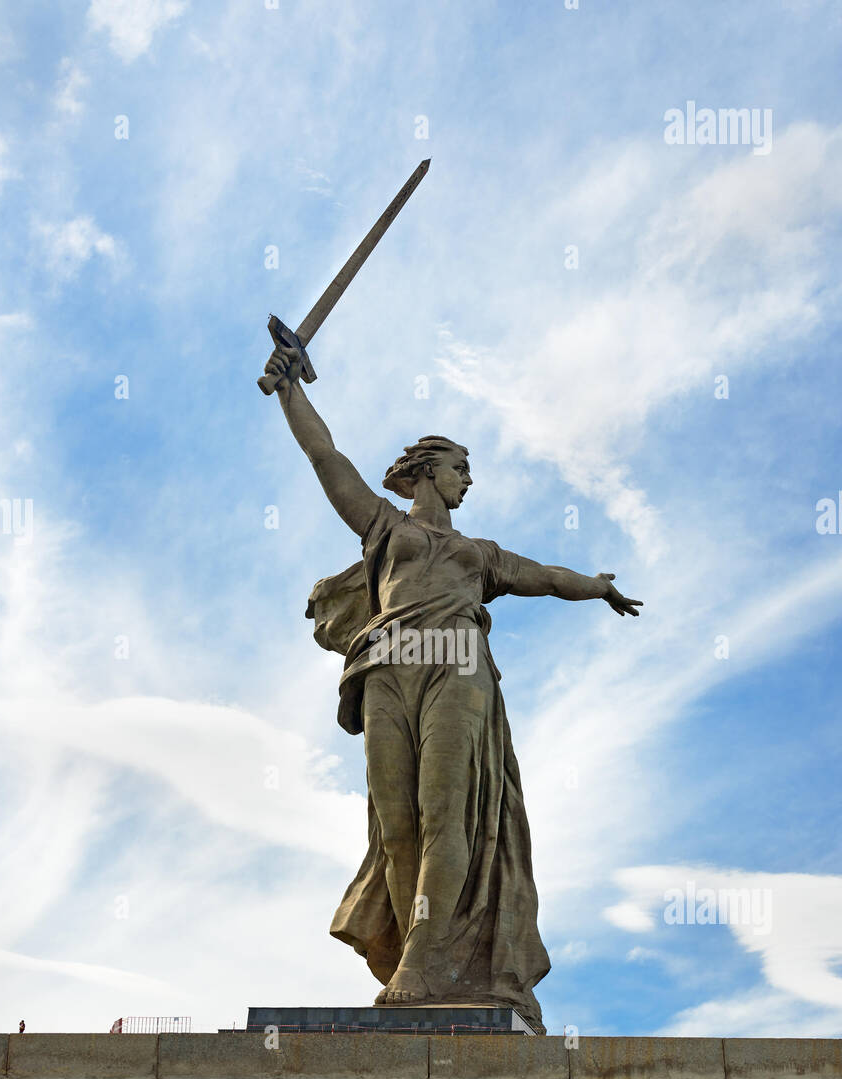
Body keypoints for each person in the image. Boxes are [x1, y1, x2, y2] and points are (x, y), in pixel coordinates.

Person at [266, 343, 642, 1032]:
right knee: (397, 824)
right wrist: (291, 389)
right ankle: (418, 944)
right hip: (389, 666)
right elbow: (328, 461)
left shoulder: (479, 555)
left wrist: (599, 588)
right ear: (427, 473)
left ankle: (424, 962)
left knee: (448, 812)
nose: (468, 481)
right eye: (460, 469)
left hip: (457, 664)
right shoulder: (384, 526)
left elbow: (547, 576)